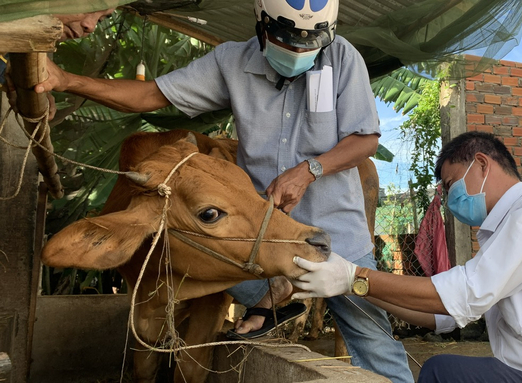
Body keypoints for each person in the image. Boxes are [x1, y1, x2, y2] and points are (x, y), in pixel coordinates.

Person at [31, 0, 414, 381]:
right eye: (287, 40)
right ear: (262, 26)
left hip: (337, 229)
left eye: (310, 43)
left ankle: (282, 296)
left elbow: (364, 140)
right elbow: (151, 96)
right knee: (212, 274)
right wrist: (66, 80)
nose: (299, 50)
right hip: (253, 231)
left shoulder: (342, 58)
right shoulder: (230, 62)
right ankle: (275, 295)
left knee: (373, 340)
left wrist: (309, 170)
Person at [291, 131, 522, 383]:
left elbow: (462, 295)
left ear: (483, 165)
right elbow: (441, 317)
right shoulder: (503, 235)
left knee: (443, 373)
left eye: (451, 184)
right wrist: (353, 285)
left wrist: (355, 274)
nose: (447, 198)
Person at [2, 8, 115, 117]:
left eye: (100, 20)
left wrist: (26, 90)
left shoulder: (20, 59)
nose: (91, 27)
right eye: (90, 6)